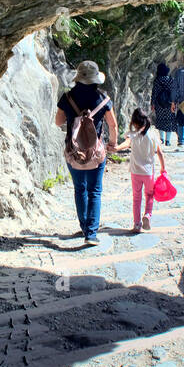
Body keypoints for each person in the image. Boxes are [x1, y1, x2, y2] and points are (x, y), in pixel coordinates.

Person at [54, 60, 119, 245]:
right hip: (96, 153)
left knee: (80, 188)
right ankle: (91, 234)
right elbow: (112, 125)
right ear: (96, 78)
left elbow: (58, 122)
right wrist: (112, 144)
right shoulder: (103, 99)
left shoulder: (67, 98)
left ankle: (84, 226)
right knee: (95, 191)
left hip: (73, 152)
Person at [115, 108, 167, 232]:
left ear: (134, 122)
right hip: (148, 172)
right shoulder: (153, 134)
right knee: (149, 195)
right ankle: (147, 215)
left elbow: (126, 144)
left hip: (135, 172)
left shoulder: (132, 135)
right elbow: (159, 152)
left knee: (136, 198)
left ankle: (137, 224)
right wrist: (163, 168)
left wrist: (116, 148)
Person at [150, 61, 177, 146]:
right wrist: (174, 102)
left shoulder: (157, 80)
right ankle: (168, 141)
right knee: (169, 121)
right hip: (169, 103)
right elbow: (174, 92)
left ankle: (161, 139)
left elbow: (154, 93)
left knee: (160, 120)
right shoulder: (171, 80)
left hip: (159, 103)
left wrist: (153, 104)